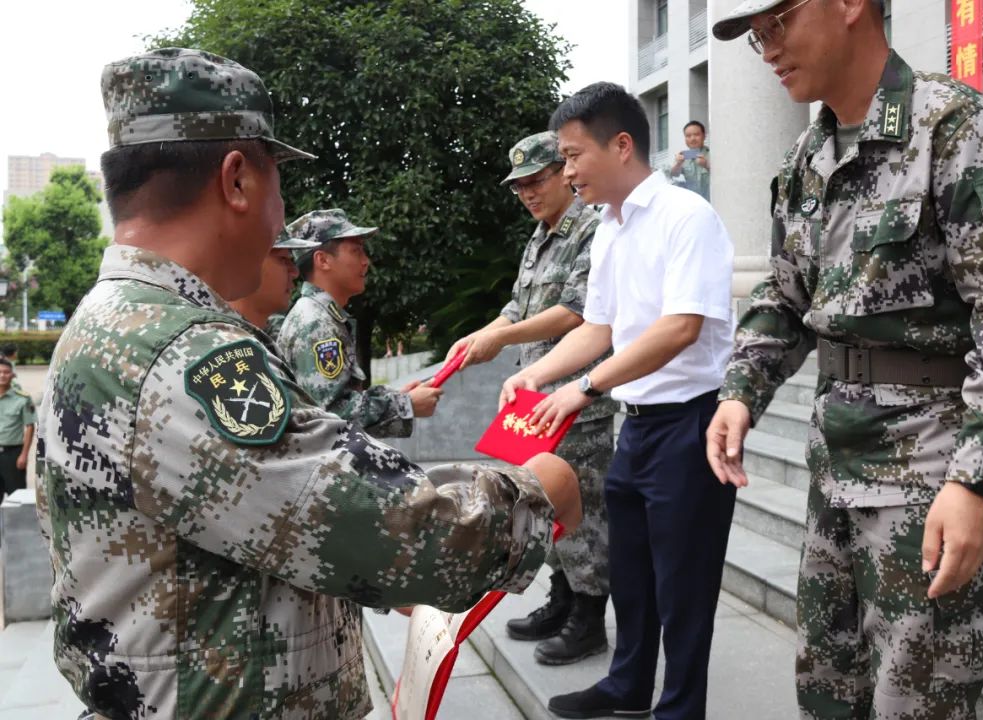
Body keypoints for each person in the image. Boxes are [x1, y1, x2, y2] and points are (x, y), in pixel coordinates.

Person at [35, 47, 582, 720]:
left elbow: (239, 530)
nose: (281, 219)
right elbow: (403, 531)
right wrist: (541, 488)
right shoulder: (183, 354)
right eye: (279, 181)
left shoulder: (109, 322)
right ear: (237, 180)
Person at [708, 2, 983, 718]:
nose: (768, 48)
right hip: (835, 461)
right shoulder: (805, 157)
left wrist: (976, 481)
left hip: (930, 468)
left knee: (919, 699)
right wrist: (740, 390)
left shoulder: (954, 127)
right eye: (756, 38)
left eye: (777, 22)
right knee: (829, 690)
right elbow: (785, 297)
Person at [501, 83, 736, 719]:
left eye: (574, 156)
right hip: (633, 427)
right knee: (630, 572)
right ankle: (627, 685)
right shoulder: (609, 227)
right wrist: (538, 375)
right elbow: (598, 328)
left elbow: (680, 326)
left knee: (683, 587)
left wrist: (585, 387)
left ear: (623, 145)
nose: (568, 171)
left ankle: (680, 708)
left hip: (691, 425)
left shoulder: (687, 218)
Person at [446, 131, 616, 665]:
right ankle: (562, 596)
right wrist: (482, 335)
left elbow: (577, 314)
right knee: (546, 501)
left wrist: (502, 338)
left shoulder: (591, 229)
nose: (527, 193)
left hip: (576, 398)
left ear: (562, 173)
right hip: (535, 400)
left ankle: (589, 614)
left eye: (536, 180)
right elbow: (518, 309)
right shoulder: (540, 238)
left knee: (584, 511)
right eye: (518, 186)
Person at [277, 209, 442, 436]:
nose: (366, 261)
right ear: (323, 260)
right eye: (356, 251)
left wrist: (397, 397)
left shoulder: (320, 315)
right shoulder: (317, 323)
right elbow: (331, 416)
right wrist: (405, 405)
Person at [228, 231, 318, 331]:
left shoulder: (266, 335)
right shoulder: (219, 339)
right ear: (245, 263)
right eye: (283, 258)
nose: (295, 272)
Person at [0, 358, 33, 503]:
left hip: (13, 455)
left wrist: (24, 455)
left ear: (12, 375)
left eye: (6, 372)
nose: (2, 375)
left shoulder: (22, 399)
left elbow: (30, 426)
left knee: (17, 498)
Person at [669, 120, 711, 200]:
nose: (692, 138)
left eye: (696, 135)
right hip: (694, 205)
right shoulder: (682, 156)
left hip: (714, 203)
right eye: (688, 136)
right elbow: (673, 174)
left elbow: (723, 173)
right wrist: (678, 164)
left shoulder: (712, 154)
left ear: (704, 136)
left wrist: (706, 165)